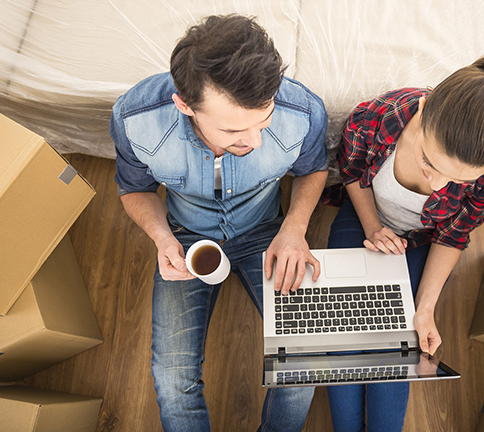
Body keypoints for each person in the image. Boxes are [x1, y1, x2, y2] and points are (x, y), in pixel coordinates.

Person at [110, 14, 328, 432]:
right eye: (233, 130)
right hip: (185, 236)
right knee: (173, 380)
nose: (255, 142)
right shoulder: (135, 118)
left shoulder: (303, 111)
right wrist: (161, 238)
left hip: (267, 229)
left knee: (307, 359)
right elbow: (132, 188)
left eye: (263, 122)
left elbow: (314, 168)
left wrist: (295, 227)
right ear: (184, 105)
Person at [325, 54, 484, 431]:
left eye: (459, 181)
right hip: (363, 215)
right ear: (423, 109)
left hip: (422, 241)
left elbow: (455, 232)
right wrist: (371, 227)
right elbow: (352, 174)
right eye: (429, 163)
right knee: (344, 337)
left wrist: (425, 308)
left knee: (398, 346)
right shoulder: (377, 116)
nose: (437, 186)